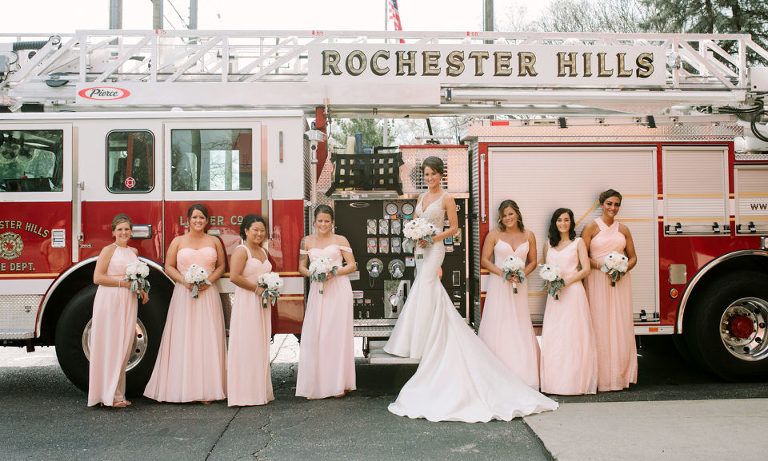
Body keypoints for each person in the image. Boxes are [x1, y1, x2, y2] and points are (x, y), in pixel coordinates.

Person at [384, 157, 558, 422]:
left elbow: (454, 227)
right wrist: (416, 236)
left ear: (441, 175)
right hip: (421, 250)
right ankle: (425, 332)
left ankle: (426, 336)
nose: (430, 178)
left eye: (433, 174)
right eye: (426, 174)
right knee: (424, 286)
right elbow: (416, 221)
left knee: (427, 284)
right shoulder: (420, 197)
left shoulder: (447, 198)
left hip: (435, 249)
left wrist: (432, 237)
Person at [144, 203, 227, 403]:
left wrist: (209, 280)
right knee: (185, 337)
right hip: (184, 294)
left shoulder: (214, 241)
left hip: (208, 294)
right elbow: (169, 266)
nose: (198, 221)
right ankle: (182, 388)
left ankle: (207, 390)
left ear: (207, 221)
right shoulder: (178, 241)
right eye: (194, 217)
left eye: (202, 218)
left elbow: (222, 266)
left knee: (207, 337)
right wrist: (185, 281)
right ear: (188, 220)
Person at [295, 205, 357, 399]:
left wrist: (334, 272)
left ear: (332, 223)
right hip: (318, 290)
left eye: (327, 221)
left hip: (338, 289)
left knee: (337, 334)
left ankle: (339, 384)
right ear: (315, 221)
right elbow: (300, 267)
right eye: (320, 221)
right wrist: (313, 274)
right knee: (318, 333)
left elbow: (353, 265)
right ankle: (319, 383)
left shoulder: (340, 240)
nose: (323, 224)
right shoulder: (307, 241)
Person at [478, 200, 540, 389]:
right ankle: (495, 371)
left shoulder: (529, 235)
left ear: (517, 214)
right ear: (501, 218)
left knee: (519, 321)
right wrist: (502, 273)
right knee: (499, 321)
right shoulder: (494, 235)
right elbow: (484, 260)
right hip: (499, 284)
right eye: (504, 215)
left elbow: (533, 261)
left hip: (519, 284)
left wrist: (521, 274)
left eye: (511, 214)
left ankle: (522, 371)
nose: (508, 218)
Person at [88, 214, 148, 407]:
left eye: (127, 229)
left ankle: (118, 394)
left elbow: (136, 278)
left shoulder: (134, 252)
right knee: (110, 344)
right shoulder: (108, 250)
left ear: (131, 232)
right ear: (113, 232)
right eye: (120, 229)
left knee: (124, 345)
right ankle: (106, 395)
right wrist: (123, 283)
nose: (123, 233)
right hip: (110, 299)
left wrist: (141, 290)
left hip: (129, 300)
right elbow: (98, 278)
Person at [581, 189, 638, 391]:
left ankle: (620, 375)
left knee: (620, 324)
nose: (613, 208)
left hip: (620, 281)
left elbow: (633, 257)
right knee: (600, 323)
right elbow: (581, 257)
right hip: (597, 280)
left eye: (616, 204)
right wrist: (602, 267)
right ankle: (601, 376)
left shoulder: (624, 229)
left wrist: (622, 267)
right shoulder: (591, 228)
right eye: (609, 204)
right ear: (601, 204)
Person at [539, 208, 598, 395]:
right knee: (555, 337)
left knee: (574, 337)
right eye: (559, 220)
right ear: (554, 223)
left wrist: (565, 281)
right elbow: (545, 268)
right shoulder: (547, 244)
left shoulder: (578, 243)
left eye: (566, 220)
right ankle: (555, 382)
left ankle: (575, 383)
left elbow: (586, 269)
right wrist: (551, 280)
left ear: (571, 222)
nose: (563, 223)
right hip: (555, 297)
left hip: (573, 293)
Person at [227, 214, 274, 406]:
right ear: (245, 230)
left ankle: (258, 390)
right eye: (255, 230)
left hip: (261, 303)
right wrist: (256, 289)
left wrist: (270, 288)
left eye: (262, 230)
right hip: (247, 301)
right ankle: (245, 393)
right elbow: (234, 277)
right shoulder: (242, 250)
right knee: (247, 344)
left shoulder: (263, 251)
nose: (259, 233)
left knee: (259, 344)